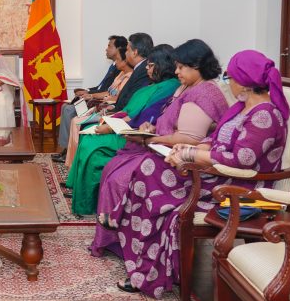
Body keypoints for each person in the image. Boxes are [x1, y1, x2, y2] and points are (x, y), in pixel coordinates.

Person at [98, 49, 288, 298]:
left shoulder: (264, 115)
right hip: (215, 174)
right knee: (150, 168)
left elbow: (242, 160)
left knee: (153, 186)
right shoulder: (243, 108)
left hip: (236, 188)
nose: (228, 82)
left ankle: (143, 262)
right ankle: (140, 256)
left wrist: (191, 154)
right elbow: (215, 139)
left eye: (230, 77)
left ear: (244, 81)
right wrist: (185, 149)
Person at [91, 38, 229, 258]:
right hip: (166, 148)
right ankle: (117, 239)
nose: (176, 72)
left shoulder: (203, 93)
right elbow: (172, 122)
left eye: (181, 67)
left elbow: (189, 138)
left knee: (122, 176)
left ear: (196, 66)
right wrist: (152, 128)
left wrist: (151, 139)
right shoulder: (188, 87)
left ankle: (132, 245)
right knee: (114, 167)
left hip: (186, 163)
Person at [65, 44, 180, 216]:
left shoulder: (168, 87)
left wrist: (112, 126)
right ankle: (79, 190)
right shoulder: (157, 85)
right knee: (88, 134)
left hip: (133, 134)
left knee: (93, 145)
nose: (147, 69)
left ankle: (87, 202)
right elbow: (131, 110)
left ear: (161, 65)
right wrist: (113, 120)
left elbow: (144, 118)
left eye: (150, 65)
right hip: (127, 126)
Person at [54, 35, 126, 159]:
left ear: (118, 49)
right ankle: (66, 148)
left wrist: (90, 95)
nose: (106, 49)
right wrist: (87, 91)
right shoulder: (113, 66)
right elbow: (101, 87)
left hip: (102, 103)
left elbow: (107, 92)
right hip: (97, 99)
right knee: (65, 106)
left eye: (109, 46)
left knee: (69, 110)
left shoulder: (120, 69)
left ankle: (68, 151)